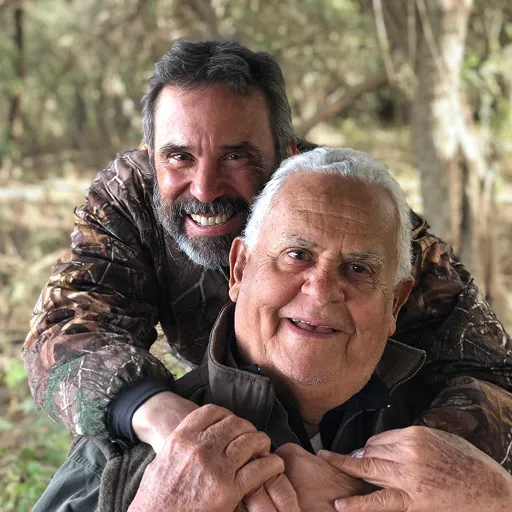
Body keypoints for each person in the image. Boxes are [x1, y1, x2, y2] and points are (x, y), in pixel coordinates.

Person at [23, 40, 512, 468]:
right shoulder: (131, 198)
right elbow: (63, 331)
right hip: (218, 407)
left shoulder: (354, 212)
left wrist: (387, 469)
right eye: (179, 157)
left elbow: (494, 372)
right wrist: (160, 417)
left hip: (360, 417)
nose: (205, 188)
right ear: (153, 157)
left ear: (286, 155)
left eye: (236, 156)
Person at [33, 148, 512, 512]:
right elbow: (63, 328)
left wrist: (493, 498)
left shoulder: (462, 451)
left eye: (359, 269)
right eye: (296, 255)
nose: (322, 290)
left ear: (397, 302)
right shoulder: (125, 458)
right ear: (240, 269)